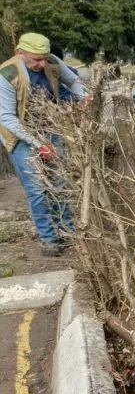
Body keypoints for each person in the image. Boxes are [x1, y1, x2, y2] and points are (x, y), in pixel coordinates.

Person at [0, 33, 87, 257]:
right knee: (37, 190)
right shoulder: (7, 74)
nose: (41, 64)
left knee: (59, 183)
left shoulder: (52, 62)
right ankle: (49, 238)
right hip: (20, 136)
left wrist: (83, 96)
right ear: (20, 53)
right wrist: (38, 143)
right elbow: (7, 118)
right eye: (35, 60)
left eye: (44, 58)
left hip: (51, 129)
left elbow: (73, 81)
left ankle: (67, 231)